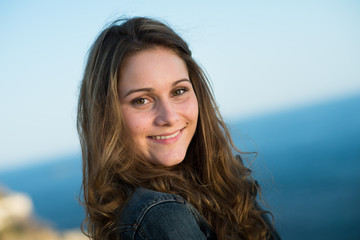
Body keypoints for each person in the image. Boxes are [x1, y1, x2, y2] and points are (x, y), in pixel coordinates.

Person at [77, 17, 280, 240]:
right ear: (106, 115)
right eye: (141, 100)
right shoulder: (161, 215)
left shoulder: (220, 182)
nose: (170, 117)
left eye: (178, 91)